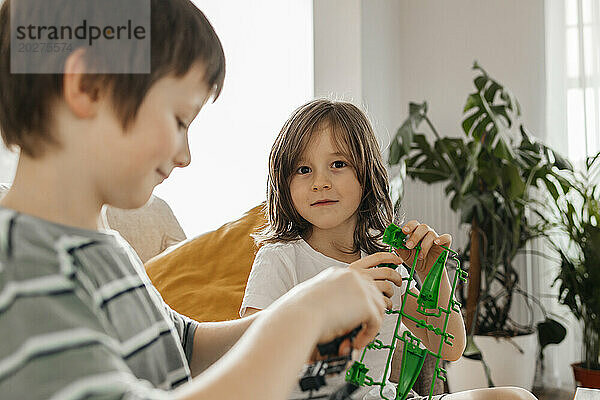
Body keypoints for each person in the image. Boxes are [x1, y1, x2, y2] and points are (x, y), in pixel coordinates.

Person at [0, 1, 401, 399]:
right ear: (87, 87)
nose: (185, 156)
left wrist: (304, 313)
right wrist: (300, 319)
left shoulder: (108, 247)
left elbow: (188, 347)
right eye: (179, 120)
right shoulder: (19, 262)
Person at [240, 99, 536, 400]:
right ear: (284, 182)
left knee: (516, 397)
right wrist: (329, 302)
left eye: (338, 164)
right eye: (303, 169)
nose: (320, 182)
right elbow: (249, 362)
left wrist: (431, 273)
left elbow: (449, 345)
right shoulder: (280, 259)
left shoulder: (381, 259)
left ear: (366, 175)